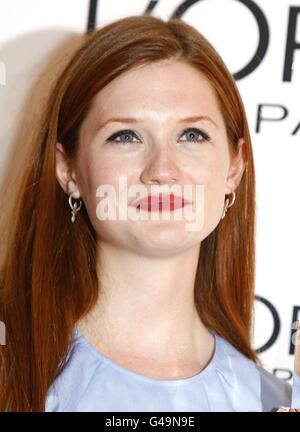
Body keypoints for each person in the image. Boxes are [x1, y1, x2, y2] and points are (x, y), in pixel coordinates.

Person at [0, 14, 295, 412]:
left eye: (192, 135)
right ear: (68, 170)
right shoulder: (11, 373)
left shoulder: (270, 401)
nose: (162, 171)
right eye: (125, 136)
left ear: (234, 167)